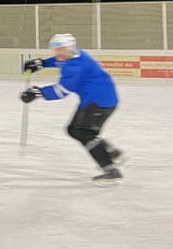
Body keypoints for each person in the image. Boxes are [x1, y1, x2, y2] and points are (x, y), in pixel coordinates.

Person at [20, 33, 125, 184]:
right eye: (55, 49)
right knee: (75, 130)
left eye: (61, 49)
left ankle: (110, 170)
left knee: (83, 132)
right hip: (94, 100)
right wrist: (42, 63)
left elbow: (61, 91)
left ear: (70, 48)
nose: (58, 53)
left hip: (100, 102)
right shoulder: (73, 56)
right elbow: (58, 61)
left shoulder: (76, 66)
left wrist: (38, 93)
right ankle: (111, 152)